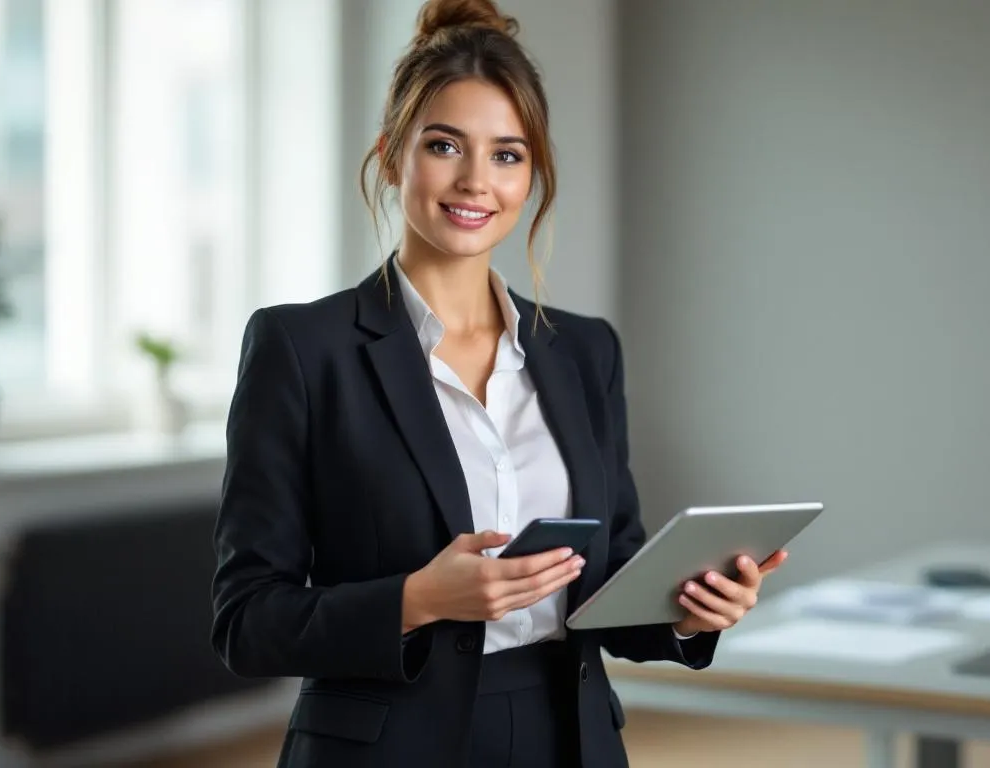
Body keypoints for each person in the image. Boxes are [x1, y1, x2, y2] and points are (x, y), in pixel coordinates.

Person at [209, 0, 787, 765]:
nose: (476, 181)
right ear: (390, 156)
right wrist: (420, 599)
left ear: (532, 175)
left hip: (567, 736)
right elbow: (246, 621)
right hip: (386, 746)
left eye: (508, 155)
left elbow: (607, 578)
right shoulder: (301, 348)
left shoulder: (583, 351)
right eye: (445, 145)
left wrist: (690, 613)